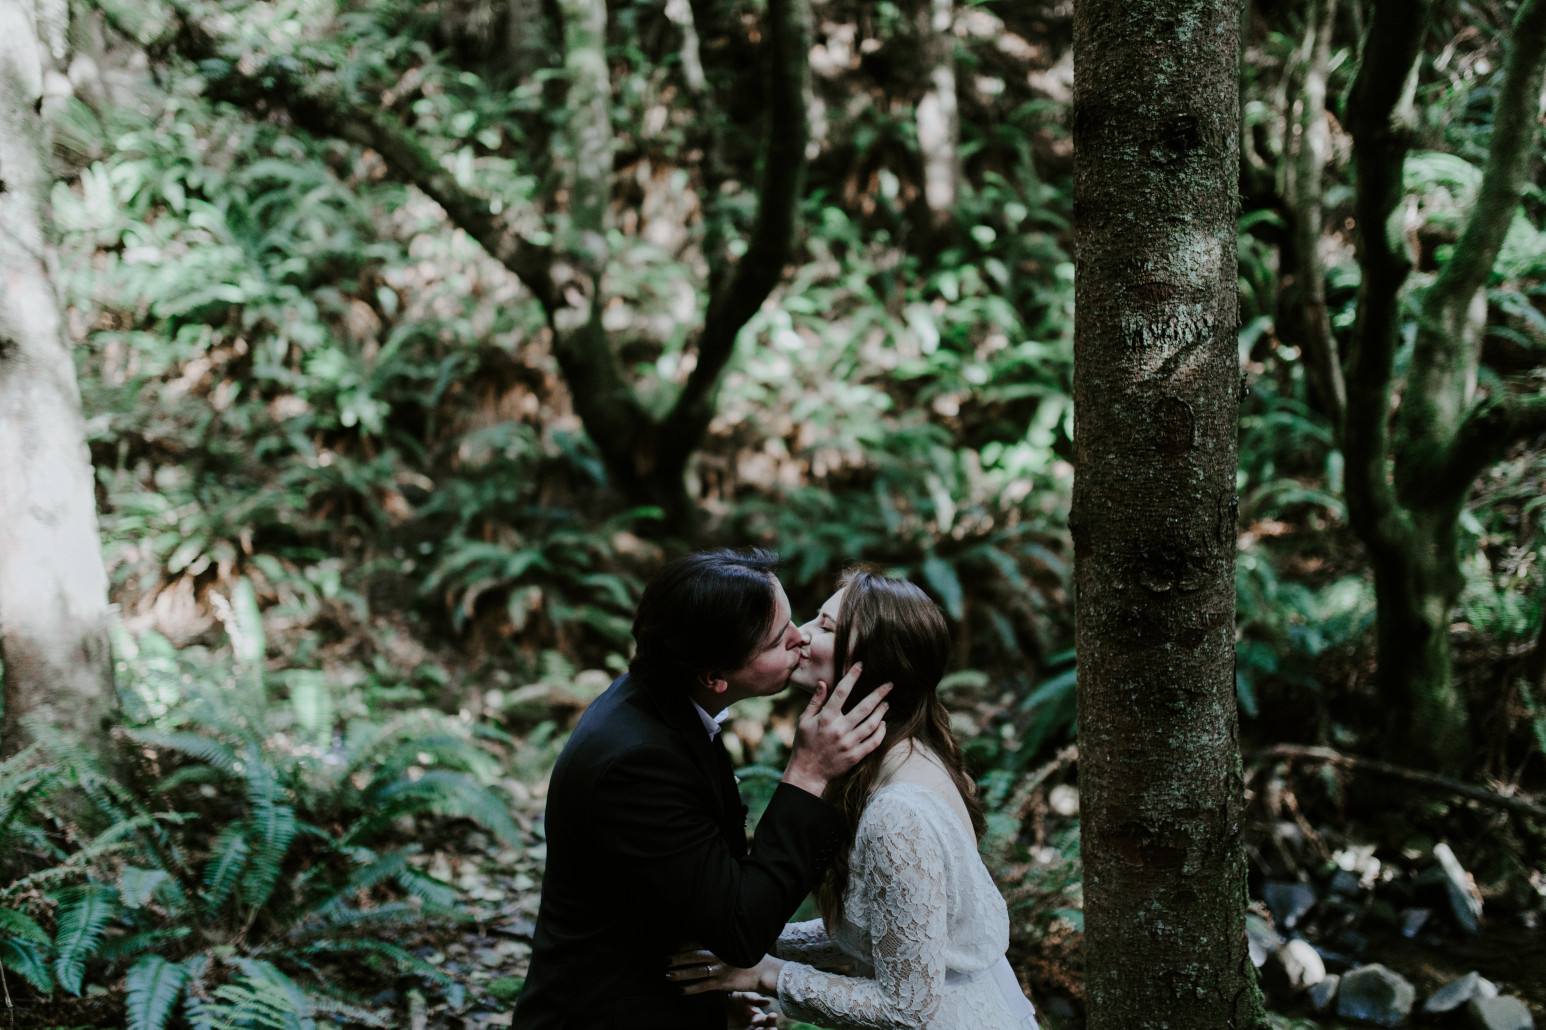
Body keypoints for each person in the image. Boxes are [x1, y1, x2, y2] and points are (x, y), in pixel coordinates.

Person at [513, 548, 893, 1030]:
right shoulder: (638, 763)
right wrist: (808, 774)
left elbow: (680, 884)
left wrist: (710, 1006)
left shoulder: (663, 703)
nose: (801, 639)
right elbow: (739, 928)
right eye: (779, 640)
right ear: (714, 676)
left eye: (793, 619)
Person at [667, 567, 1039, 1030]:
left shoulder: (897, 813)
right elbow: (897, 931)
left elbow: (906, 1008)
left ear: (875, 663)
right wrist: (757, 939)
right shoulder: (909, 754)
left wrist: (766, 974)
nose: (798, 636)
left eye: (824, 627)